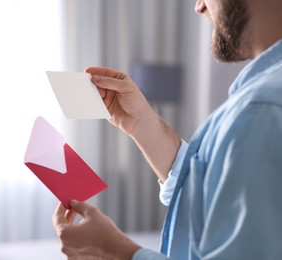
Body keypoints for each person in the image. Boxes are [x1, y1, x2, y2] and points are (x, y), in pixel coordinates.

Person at [52, 0, 282, 259]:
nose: (199, 7)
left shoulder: (262, 110)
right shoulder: (263, 102)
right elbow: (208, 196)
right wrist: (141, 123)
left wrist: (114, 250)